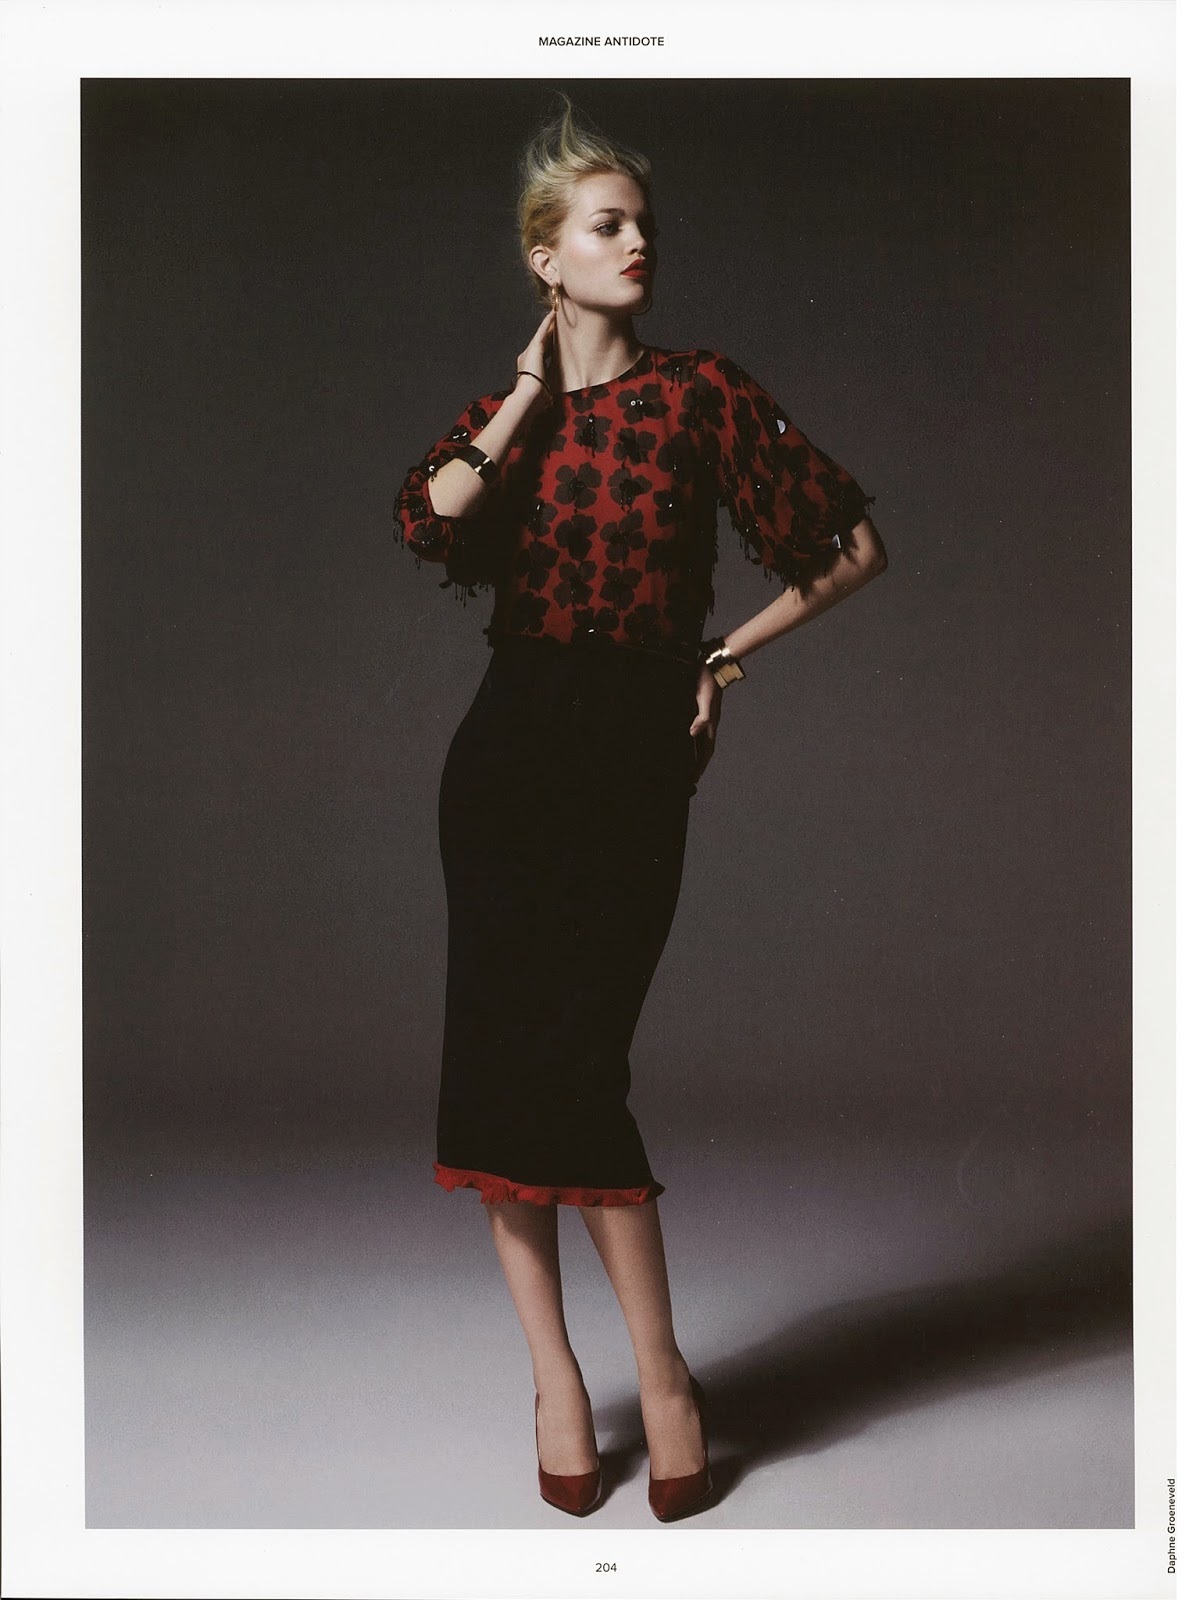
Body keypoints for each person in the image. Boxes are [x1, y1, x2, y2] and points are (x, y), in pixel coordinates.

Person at [392, 95, 887, 1522]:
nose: (637, 244)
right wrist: (526, 391)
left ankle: (661, 1373)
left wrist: (721, 658)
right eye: (607, 226)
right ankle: (556, 1378)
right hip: (506, 755)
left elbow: (852, 547)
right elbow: (430, 516)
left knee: (576, 1066)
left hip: (629, 754)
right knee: (496, 1076)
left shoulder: (703, 393)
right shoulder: (509, 422)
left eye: (644, 226)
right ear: (547, 257)